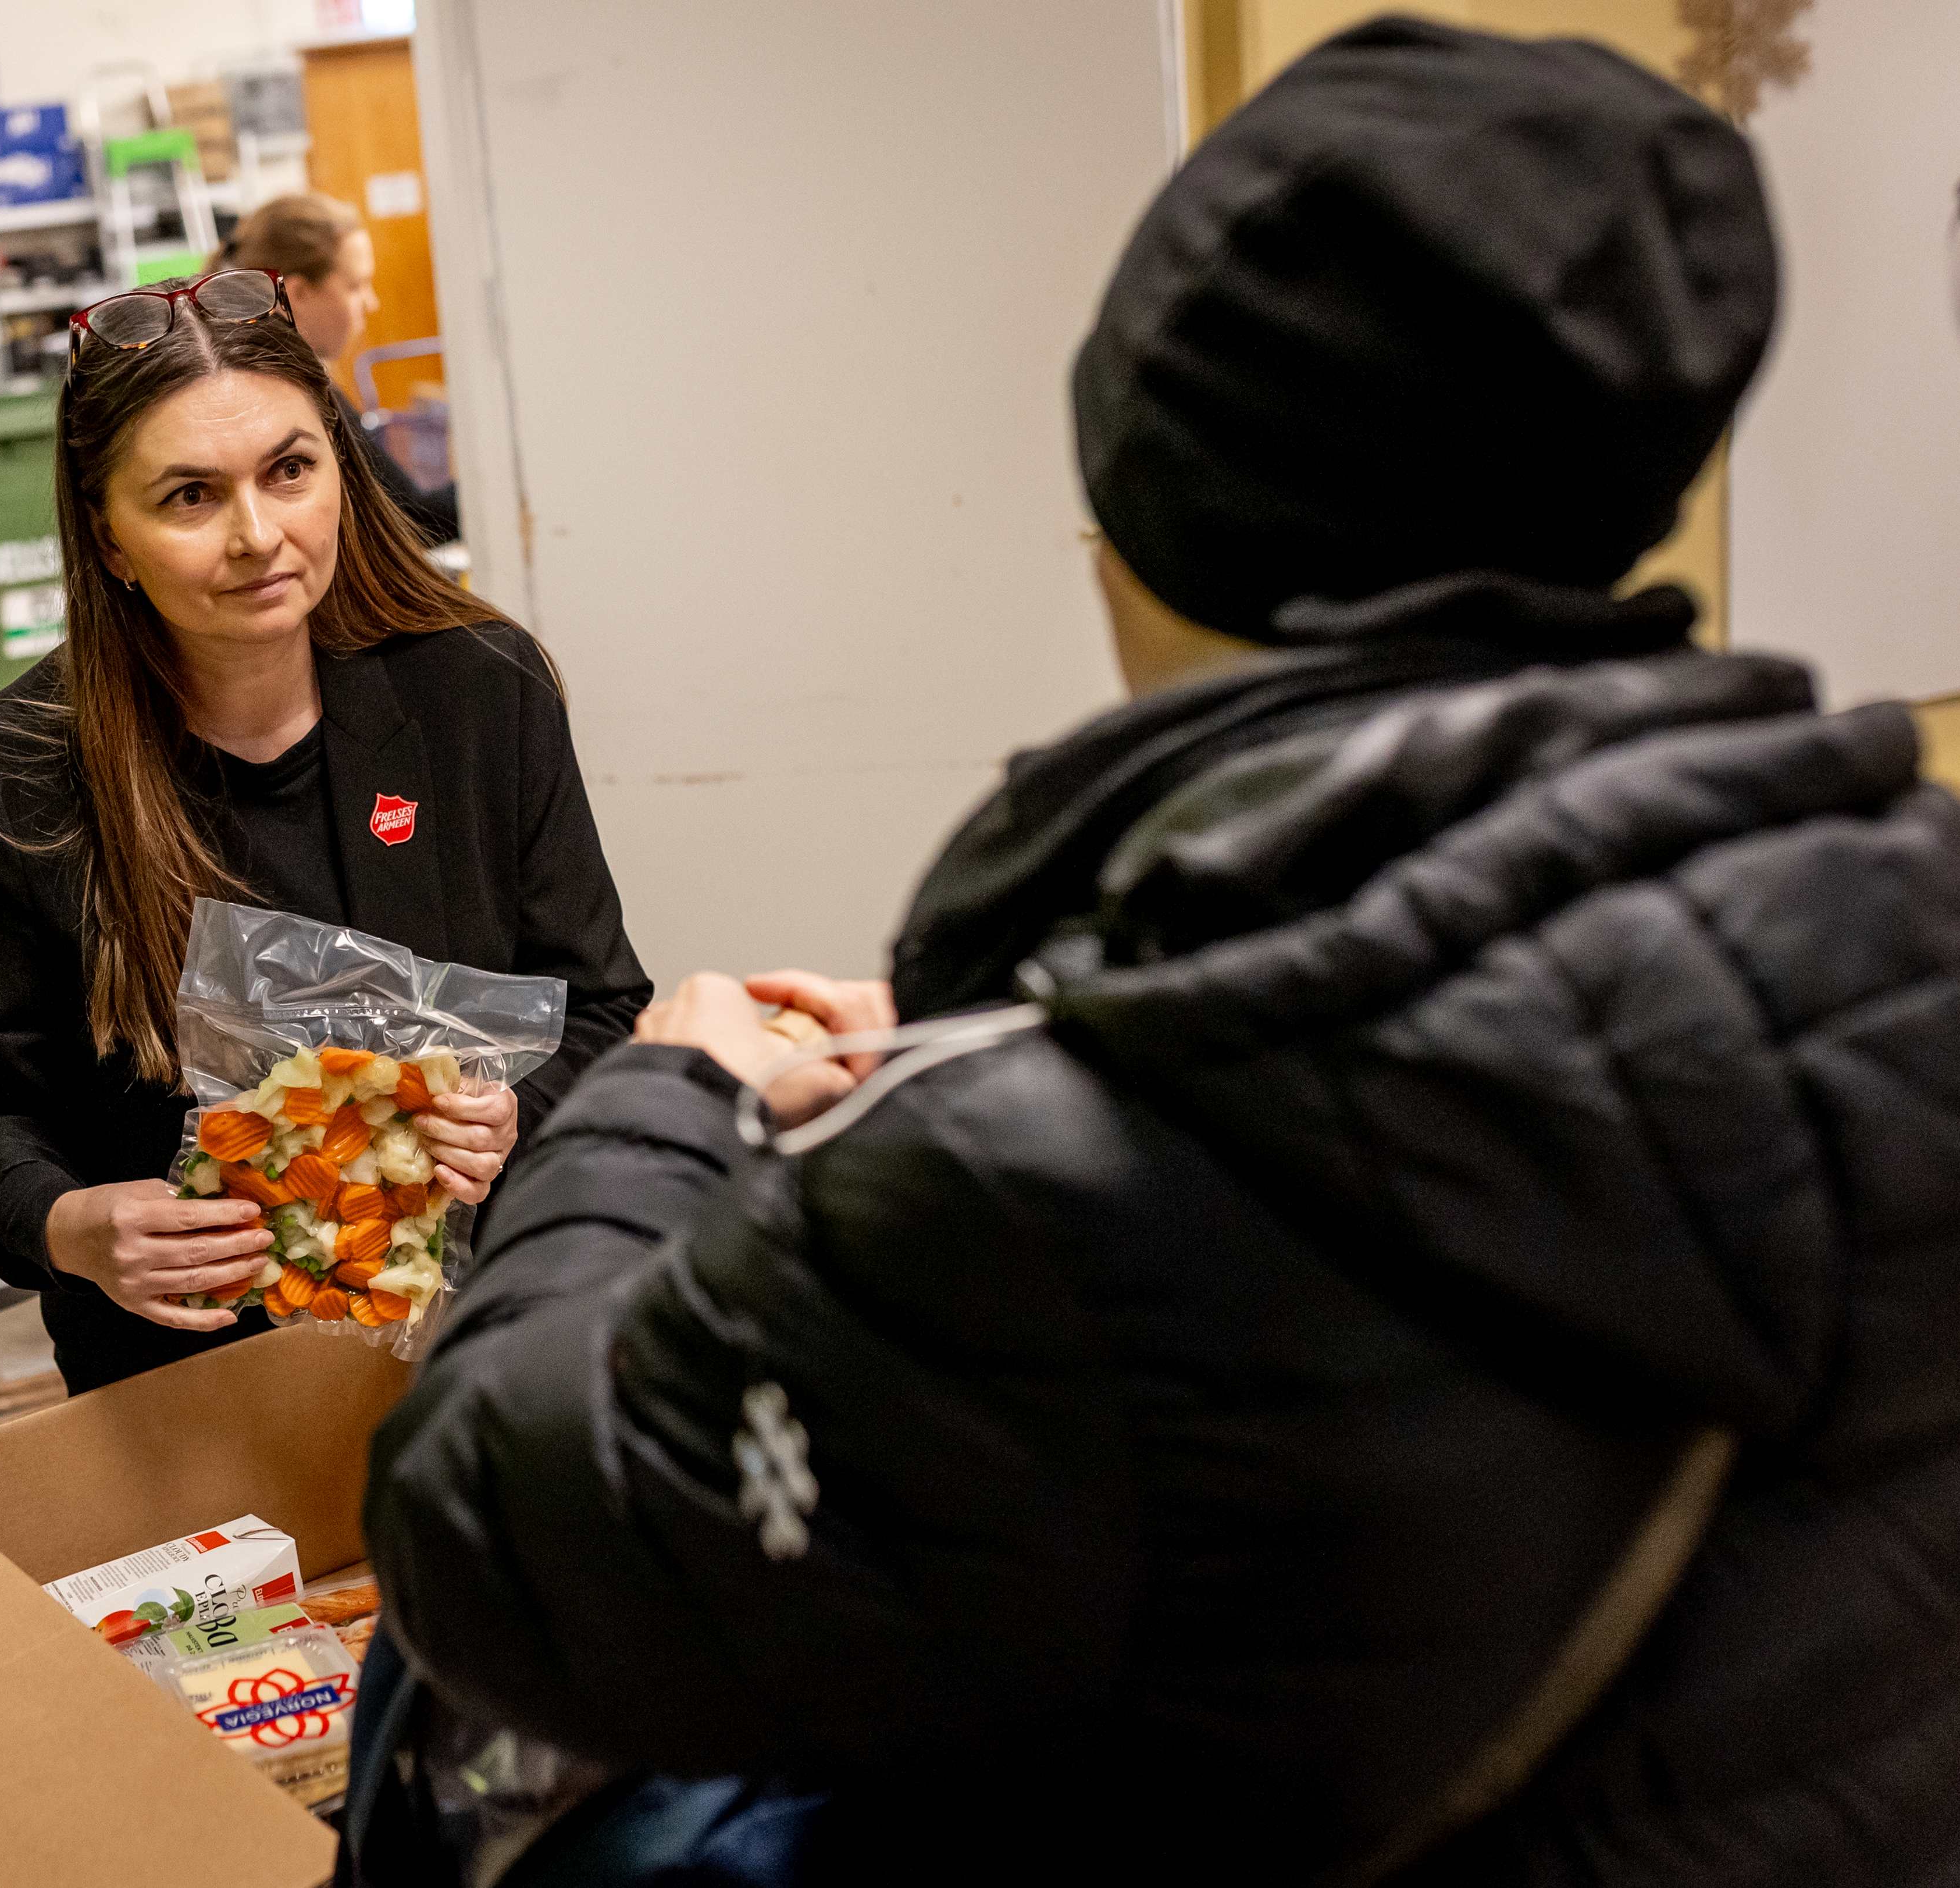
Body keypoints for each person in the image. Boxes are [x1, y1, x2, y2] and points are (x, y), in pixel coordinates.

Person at [354, 20, 1960, 1886]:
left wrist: (648, 1112)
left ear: (1153, 505)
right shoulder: (1897, 909)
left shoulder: (1087, 1174)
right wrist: (1025, 1040)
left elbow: (498, 1539)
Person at [0, 266, 647, 1395]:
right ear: (111, 540)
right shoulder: (25, 772)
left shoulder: (478, 693)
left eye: (289, 472)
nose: (258, 535)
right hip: (189, 1385)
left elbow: (598, 1006)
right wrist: (72, 1228)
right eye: (190, 497)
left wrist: (508, 1113)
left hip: (481, 1343)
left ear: (337, 471)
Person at [218, 191, 461, 545]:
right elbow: (414, 520)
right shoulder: (290, 389)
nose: (371, 303)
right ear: (297, 293)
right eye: (355, 286)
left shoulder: (256, 363)